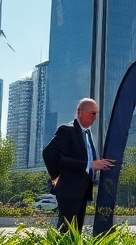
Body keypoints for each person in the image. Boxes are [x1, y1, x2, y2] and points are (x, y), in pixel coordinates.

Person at [42, 98, 114, 231]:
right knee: (66, 230)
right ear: (80, 112)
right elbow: (49, 153)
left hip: (83, 190)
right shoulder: (66, 130)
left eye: (96, 114)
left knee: (76, 230)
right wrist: (55, 176)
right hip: (69, 189)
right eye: (92, 113)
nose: (95, 117)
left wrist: (99, 165)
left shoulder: (87, 133)